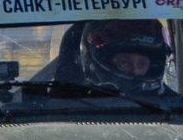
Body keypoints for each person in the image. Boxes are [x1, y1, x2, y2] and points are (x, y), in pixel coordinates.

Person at [37, 18, 170, 97]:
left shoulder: (176, 108)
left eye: (141, 64)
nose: (134, 71)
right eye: (124, 62)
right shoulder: (67, 107)